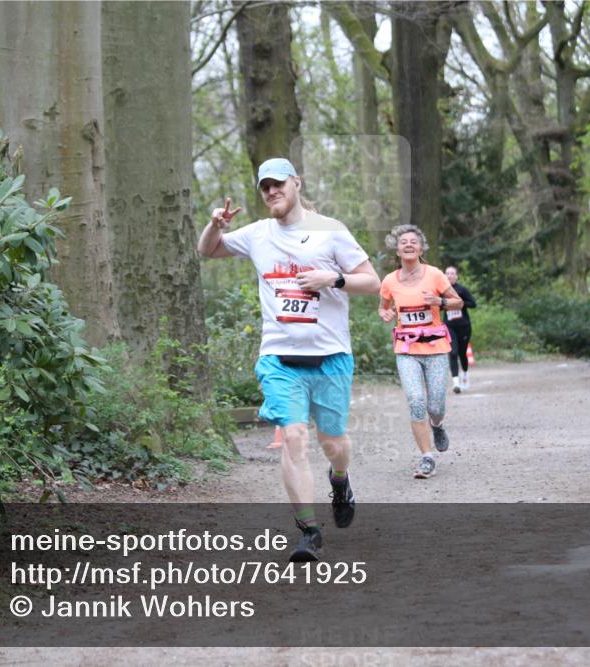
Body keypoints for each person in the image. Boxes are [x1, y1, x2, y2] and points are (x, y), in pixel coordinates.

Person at [197, 157, 381, 562]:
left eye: (278, 184)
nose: (271, 192)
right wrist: (215, 225)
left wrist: (331, 279)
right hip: (279, 358)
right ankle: (309, 531)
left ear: (296, 183)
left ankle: (340, 480)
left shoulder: (330, 232)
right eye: (264, 187)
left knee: (333, 444)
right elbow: (208, 251)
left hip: (330, 356)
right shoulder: (258, 234)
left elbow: (373, 282)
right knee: (293, 439)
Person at [379, 225, 463, 479]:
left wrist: (440, 302)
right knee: (416, 402)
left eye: (413, 241)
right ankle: (427, 457)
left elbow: (457, 301)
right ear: (397, 249)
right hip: (406, 350)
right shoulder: (390, 280)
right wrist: (386, 313)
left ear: (421, 248)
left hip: (436, 348)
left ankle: (437, 426)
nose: (408, 244)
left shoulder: (435, 275)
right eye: (403, 241)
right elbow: (383, 308)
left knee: (435, 405)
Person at [442, 266, 477, 393]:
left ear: (456, 276)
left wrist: (460, 303)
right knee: (453, 352)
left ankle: (465, 375)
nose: (450, 275)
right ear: (444, 276)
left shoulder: (461, 289)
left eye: (452, 273)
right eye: (447, 273)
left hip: (464, 327)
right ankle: (455, 382)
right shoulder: (441, 291)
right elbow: (437, 306)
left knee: (462, 354)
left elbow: (473, 303)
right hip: (449, 326)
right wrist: (443, 304)